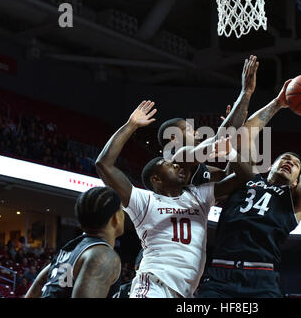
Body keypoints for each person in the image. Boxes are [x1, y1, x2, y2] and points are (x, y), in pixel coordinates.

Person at [95, 100, 253, 298]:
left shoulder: (198, 195)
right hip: (154, 285)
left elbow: (243, 177)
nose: (177, 166)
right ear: (156, 179)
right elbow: (103, 165)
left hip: (186, 292)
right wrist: (131, 125)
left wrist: (234, 146)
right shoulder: (145, 201)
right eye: (169, 165)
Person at [196, 82, 301, 298]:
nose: (290, 161)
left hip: (261, 278)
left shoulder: (296, 199)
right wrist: (278, 103)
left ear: (297, 181)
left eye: (296, 165)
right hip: (219, 275)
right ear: (270, 166)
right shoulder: (246, 178)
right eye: (285, 158)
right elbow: (244, 135)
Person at [157, 55, 259, 185]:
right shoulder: (178, 159)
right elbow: (220, 138)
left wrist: (236, 139)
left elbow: (227, 176)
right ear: (174, 138)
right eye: (189, 130)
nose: (196, 133)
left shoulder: (196, 166)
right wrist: (246, 92)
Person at [25, 186, 124, 298]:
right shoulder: (103, 255)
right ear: (116, 217)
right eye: (122, 210)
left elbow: (39, 284)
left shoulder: (71, 248)